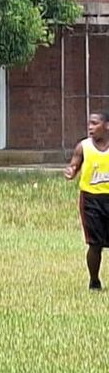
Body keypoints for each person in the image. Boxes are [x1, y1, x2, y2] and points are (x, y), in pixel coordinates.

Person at [64, 111, 109, 290]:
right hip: (91, 200)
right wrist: (71, 171)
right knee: (95, 244)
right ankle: (94, 280)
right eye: (89, 123)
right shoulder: (83, 147)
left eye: (95, 123)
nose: (90, 127)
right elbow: (74, 165)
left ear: (106, 126)